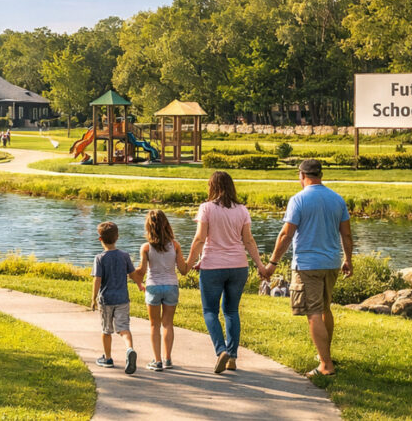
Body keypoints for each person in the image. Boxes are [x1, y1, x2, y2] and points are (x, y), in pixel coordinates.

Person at [263, 159, 353, 378]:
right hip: (332, 263)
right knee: (325, 308)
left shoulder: (299, 200)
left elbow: (286, 234)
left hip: (307, 266)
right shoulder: (337, 199)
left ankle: (325, 364)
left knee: (312, 313)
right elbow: (347, 234)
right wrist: (348, 259)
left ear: (301, 175)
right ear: (320, 175)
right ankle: (326, 355)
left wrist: (272, 263)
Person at [185, 171, 268, 373]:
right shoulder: (242, 210)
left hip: (213, 266)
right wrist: (260, 266)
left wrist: (188, 263)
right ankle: (231, 357)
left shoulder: (207, 208)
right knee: (231, 311)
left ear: (212, 187)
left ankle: (221, 350)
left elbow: (199, 239)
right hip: (238, 266)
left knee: (210, 311)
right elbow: (248, 240)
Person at [134, 210, 187, 371]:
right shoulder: (175, 245)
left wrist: (130, 273)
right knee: (167, 324)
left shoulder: (146, 247)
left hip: (153, 287)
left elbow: (141, 272)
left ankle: (157, 361)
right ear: (166, 224)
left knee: (154, 325)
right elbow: (183, 269)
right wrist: (193, 260)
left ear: (148, 227)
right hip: (171, 286)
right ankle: (168, 359)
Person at [91, 221, 145, 374]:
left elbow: (97, 280)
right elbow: (133, 274)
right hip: (122, 299)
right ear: (117, 237)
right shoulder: (125, 256)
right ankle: (129, 349)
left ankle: (107, 358)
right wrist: (140, 285)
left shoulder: (100, 258)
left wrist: (93, 298)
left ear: (100, 239)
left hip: (106, 300)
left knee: (106, 330)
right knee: (123, 328)